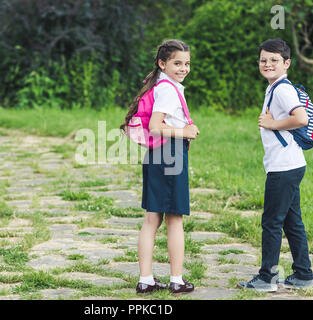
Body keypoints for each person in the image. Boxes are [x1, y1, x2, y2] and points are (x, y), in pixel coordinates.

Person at [120, 39, 200, 295]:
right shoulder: (167, 89)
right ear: (162, 63)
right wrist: (184, 131)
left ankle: (146, 279)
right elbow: (156, 126)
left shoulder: (162, 85)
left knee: (152, 218)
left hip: (157, 154)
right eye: (177, 63)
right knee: (174, 218)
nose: (183, 68)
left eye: (187, 63)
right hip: (170, 153)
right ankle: (176, 280)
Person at [238, 38, 313, 292]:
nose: (268, 64)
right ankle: (303, 274)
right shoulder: (275, 87)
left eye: (274, 60)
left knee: (271, 222)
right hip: (289, 164)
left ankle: (266, 279)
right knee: (292, 222)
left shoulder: (282, 89)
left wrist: (272, 124)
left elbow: (300, 118)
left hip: (284, 167)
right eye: (263, 60)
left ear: (286, 63)